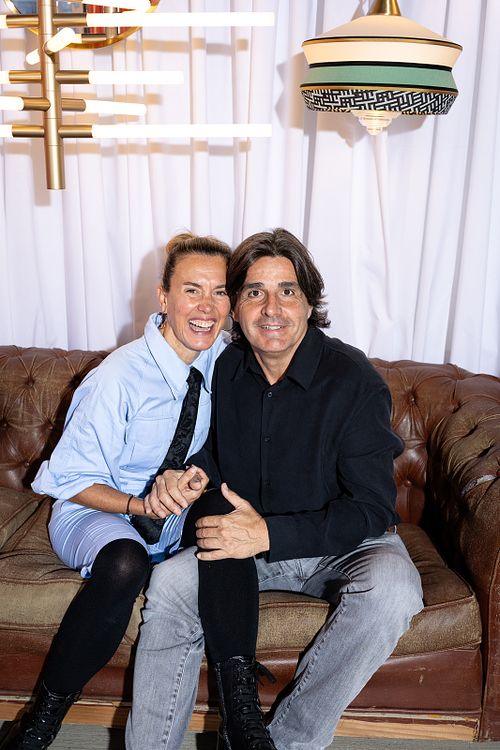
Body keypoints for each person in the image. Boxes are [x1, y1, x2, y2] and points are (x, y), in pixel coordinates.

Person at [125, 228, 424, 750]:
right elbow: (212, 452)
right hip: (247, 549)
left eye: (287, 291)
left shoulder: (353, 379)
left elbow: (373, 508)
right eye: (254, 292)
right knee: (170, 584)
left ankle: (280, 744)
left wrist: (267, 534)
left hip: (342, 545)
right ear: (236, 308)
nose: (272, 309)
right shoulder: (225, 368)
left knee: (394, 588)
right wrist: (187, 474)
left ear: (309, 303)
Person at [0, 233, 231, 750]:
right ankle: (40, 722)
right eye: (192, 290)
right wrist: (138, 504)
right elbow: (67, 479)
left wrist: (197, 474)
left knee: (229, 531)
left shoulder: (221, 362)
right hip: (97, 510)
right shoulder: (118, 377)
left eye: (219, 292)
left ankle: (239, 717)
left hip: (171, 515)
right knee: (126, 562)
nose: (206, 306)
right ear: (163, 297)